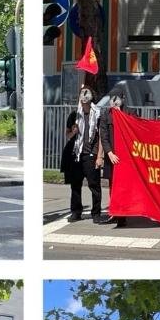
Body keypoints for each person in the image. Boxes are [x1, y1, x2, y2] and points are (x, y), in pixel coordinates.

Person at [71, 88, 104, 223]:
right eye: (82, 94)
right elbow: (68, 135)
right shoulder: (75, 115)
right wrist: (73, 131)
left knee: (94, 185)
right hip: (77, 154)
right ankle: (75, 211)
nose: (84, 97)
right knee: (75, 185)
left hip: (91, 154)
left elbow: (101, 136)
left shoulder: (97, 113)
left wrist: (99, 156)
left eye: (86, 94)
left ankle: (96, 213)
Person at [98, 92, 127, 227]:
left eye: (117, 100)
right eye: (112, 100)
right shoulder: (105, 115)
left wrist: (121, 114)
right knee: (112, 186)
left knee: (123, 187)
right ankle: (114, 212)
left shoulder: (129, 113)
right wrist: (108, 152)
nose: (114, 102)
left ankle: (123, 215)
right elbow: (103, 136)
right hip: (112, 157)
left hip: (125, 158)